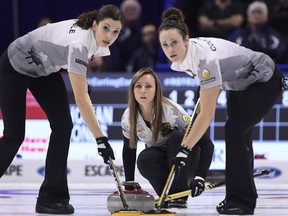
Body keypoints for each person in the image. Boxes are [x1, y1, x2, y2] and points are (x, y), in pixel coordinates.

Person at [158, 7, 285, 215]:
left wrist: (185, 149)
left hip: (264, 77)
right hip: (237, 83)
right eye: (164, 44)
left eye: (174, 43)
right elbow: (204, 102)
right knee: (240, 135)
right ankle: (240, 197)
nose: (170, 49)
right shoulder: (181, 60)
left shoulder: (204, 59)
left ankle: (241, 201)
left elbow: (207, 113)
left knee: (234, 131)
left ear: (187, 40)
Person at [0, 4, 123, 215]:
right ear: (95, 25)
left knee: (63, 126)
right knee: (14, 135)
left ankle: (51, 198)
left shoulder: (95, 40)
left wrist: (81, 79)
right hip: (15, 65)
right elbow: (81, 99)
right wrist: (100, 139)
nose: (110, 35)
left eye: (116, 31)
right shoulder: (80, 44)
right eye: (106, 28)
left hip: (44, 68)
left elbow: (59, 49)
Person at [121, 68, 214, 208]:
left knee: (177, 137)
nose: (142, 91)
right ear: (132, 90)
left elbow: (207, 144)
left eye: (148, 86)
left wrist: (200, 176)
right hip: (162, 162)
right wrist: (129, 185)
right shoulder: (128, 117)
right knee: (144, 158)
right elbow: (129, 149)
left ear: (156, 89)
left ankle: (180, 193)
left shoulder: (172, 111)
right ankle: (167, 195)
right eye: (138, 86)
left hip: (187, 159)